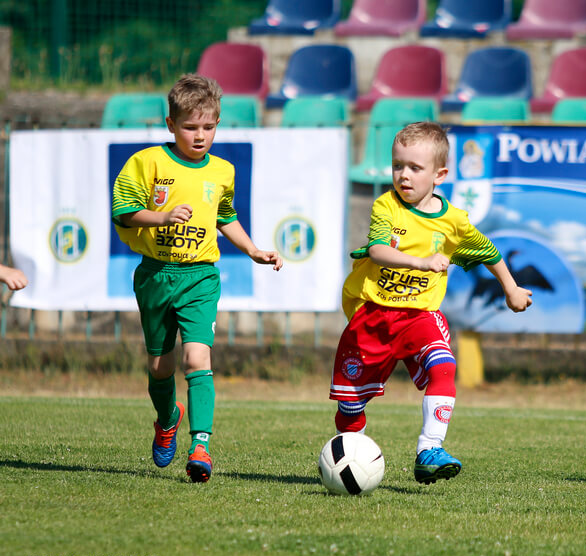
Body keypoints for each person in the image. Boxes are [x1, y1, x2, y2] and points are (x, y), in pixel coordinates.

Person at [330, 121, 533, 485]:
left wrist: (512, 289)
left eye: (414, 168)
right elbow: (377, 251)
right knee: (350, 405)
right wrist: (421, 262)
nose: (403, 175)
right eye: (397, 166)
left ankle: (429, 449)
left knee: (443, 365)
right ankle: (350, 456)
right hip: (374, 316)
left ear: (440, 174)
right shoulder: (387, 206)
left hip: (420, 315)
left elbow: (489, 251)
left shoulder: (454, 222)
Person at [111, 74, 283, 483]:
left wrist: (253, 249)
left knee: (196, 358)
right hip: (156, 275)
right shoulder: (147, 162)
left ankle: (200, 446)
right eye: (190, 127)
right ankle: (168, 417)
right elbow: (123, 211)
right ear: (171, 124)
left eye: (209, 126)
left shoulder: (222, 170)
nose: (200, 135)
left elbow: (226, 217)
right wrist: (162, 216)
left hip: (200, 277)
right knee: (159, 366)